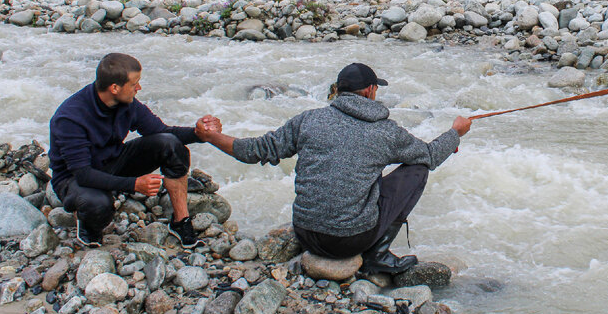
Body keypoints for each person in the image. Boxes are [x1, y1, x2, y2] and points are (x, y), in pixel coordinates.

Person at [195, 62, 472, 275]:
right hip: (349, 242)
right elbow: (430, 156)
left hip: (305, 233)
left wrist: (212, 137)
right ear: (370, 91)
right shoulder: (386, 132)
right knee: (417, 169)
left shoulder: (309, 120)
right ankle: (378, 255)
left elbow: (256, 150)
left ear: (338, 90)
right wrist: (455, 133)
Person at [48, 52, 219, 249]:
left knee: (170, 144)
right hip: (74, 178)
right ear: (114, 88)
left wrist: (199, 133)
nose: (139, 88)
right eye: (134, 84)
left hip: (112, 161)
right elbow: (84, 174)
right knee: (98, 204)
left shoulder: (126, 103)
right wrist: (135, 185)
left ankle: (180, 222)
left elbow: (163, 131)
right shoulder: (70, 118)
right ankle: (88, 225)